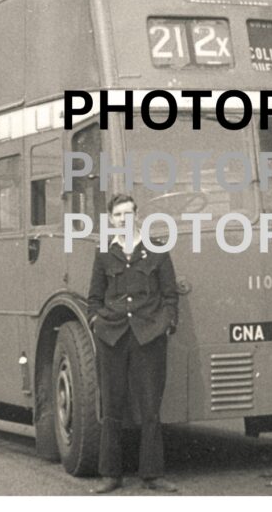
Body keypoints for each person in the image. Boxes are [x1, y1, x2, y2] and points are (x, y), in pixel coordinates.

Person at [87, 194, 180, 494]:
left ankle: (152, 475)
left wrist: (165, 325)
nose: (124, 220)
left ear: (137, 215)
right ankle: (110, 475)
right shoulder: (104, 253)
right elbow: (94, 298)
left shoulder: (157, 251)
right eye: (118, 215)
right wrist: (96, 322)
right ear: (111, 220)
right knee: (111, 405)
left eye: (129, 213)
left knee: (150, 406)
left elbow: (170, 296)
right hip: (112, 337)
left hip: (148, 337)